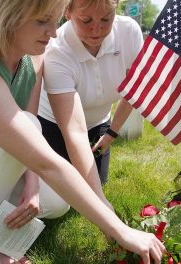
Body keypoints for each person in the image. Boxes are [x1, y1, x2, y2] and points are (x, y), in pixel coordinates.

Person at [0, 0, 165, 263]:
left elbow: (31, 133)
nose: (54, 32)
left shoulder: (33, 58)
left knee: (56, 203)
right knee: (27, 129)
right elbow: (41, 153)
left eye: (55, 20)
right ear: (11, 16)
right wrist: (120, 230)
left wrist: (32, 187)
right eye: (43, 21)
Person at [38, 0, 142, 185]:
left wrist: (111, 133)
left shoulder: (129, 32)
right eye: (86, 21)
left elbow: (134, 89)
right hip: (55, 124)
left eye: (105, 19)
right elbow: (73, 129)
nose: (96, 29)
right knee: (64, 190)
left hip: (98, 122)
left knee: (96, 183)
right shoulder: (56, 50)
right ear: (67, 13)